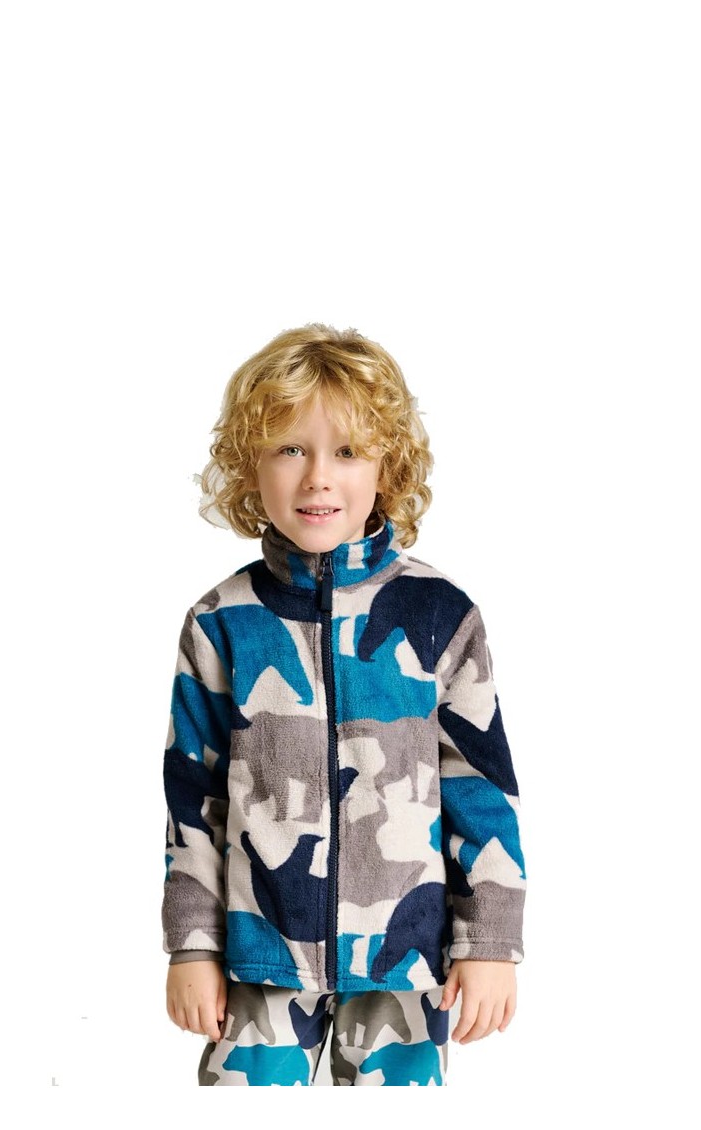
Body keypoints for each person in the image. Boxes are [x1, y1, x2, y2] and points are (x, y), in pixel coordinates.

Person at [160, 324, 528, 1086]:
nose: (318, 478)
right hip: (259, 957)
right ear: (250, 464)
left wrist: (489, 942)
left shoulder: (439, 614)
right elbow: (192, 800)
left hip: (406, 957)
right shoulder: (222, 622)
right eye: (290, 449)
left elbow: (480, 787)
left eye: (349, 452)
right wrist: (192, 946)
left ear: (389, 465)